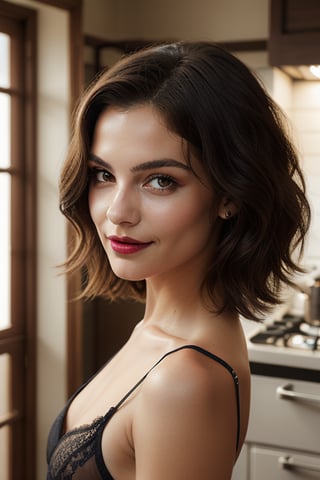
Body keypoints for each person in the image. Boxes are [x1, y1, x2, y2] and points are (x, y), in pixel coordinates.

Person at [46, 42, 310, 480]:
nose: (117, 212)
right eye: (104, 175)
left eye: (160, 180)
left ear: (229, 194)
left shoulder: (185, 381)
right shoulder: (158, 333)